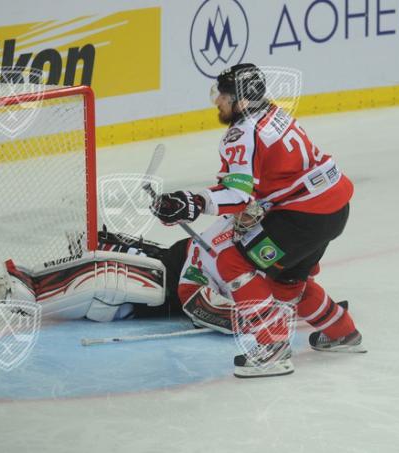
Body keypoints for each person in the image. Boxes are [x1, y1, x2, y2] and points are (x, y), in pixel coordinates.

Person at [150, 63, 365, 378]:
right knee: (287, 282)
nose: (217, 102)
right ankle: (343, 333)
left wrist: (193, 204)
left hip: (302, 216)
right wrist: (194, 201)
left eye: (222, 96)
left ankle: (272, 350)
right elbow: (255, 186)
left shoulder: (241, 132)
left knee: (231, 262)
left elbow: (237, 196)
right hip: (333, 209)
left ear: (239, 100)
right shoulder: (275, 115)